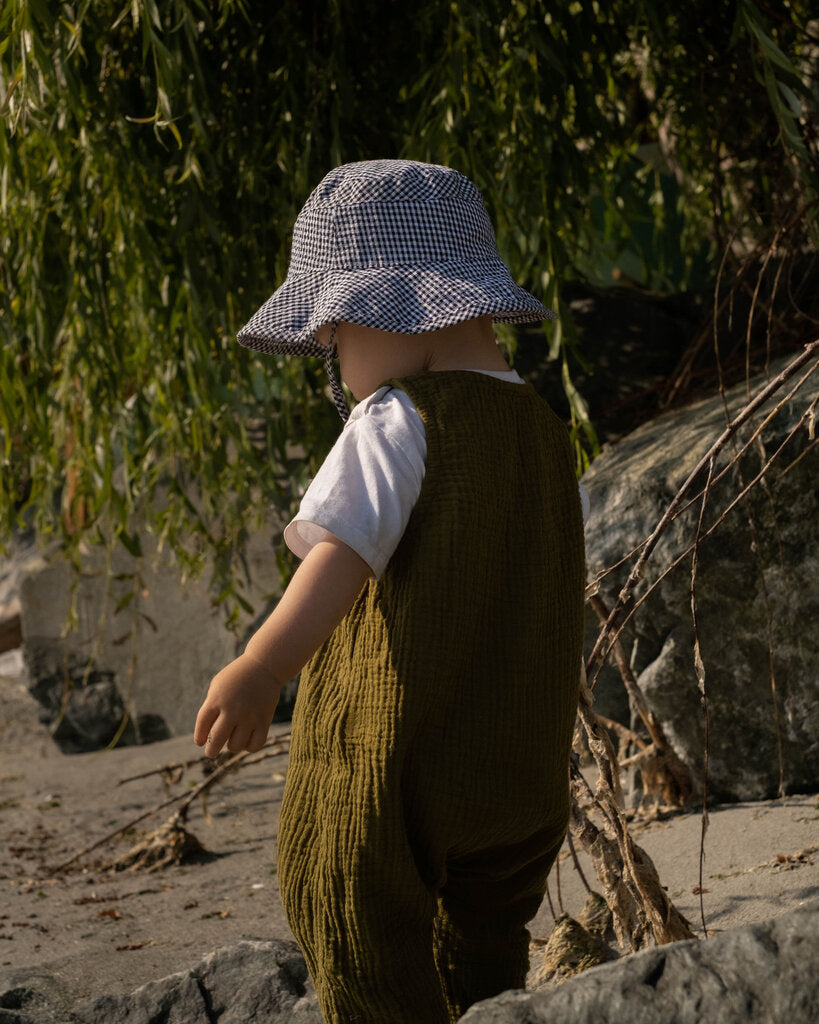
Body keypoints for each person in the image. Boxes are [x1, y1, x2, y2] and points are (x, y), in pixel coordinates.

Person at [194, 159, 586, 1023]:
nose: (333, 361)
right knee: (483, 933)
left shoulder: (400, 418)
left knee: (336, 882)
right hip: (519, 769)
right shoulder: (541, 428)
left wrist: (263, 665)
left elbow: (338, 557)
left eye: (335, 334)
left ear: (397, 308)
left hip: (402, 757)